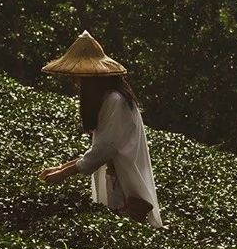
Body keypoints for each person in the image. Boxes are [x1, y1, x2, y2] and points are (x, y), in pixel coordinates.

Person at [37, 31, 163, 228]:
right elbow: (103, 147)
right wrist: (61, 168)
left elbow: (105, 149)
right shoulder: (108, 100)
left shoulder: (116, 101)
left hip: (123, 185)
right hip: (115, 180)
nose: (76, 83)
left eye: (79, 78)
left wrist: (64, 173)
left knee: (126, 230)